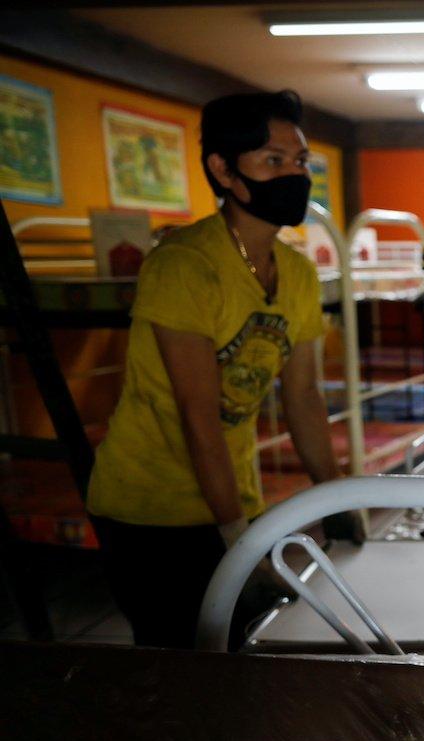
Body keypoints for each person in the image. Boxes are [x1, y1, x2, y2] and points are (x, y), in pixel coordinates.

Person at [87, 90, 351, 648]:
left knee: (241, 653)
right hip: (150, 509)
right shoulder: (184, 266)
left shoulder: (298, 275)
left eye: (300, 160)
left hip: (234, 496)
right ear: (225, 170)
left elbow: (303, 399)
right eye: (273, 160)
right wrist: (235, 536)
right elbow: (197, 412)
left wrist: (336, 497)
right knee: (179, 663)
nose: (294, 174)